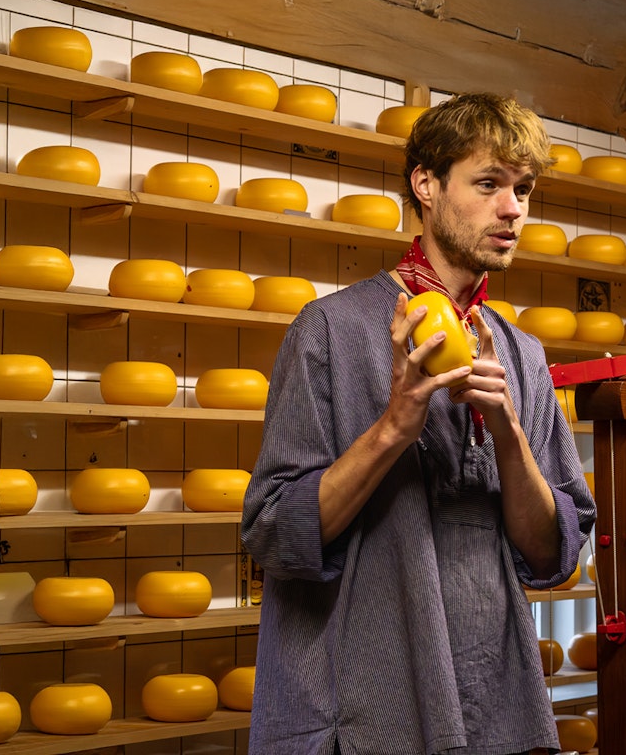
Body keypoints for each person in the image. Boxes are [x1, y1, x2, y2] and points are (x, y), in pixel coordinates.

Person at [241, 92, 596, 755]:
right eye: (488, 184)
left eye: (523, 189)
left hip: (494, 711)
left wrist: (510, 436)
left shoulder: (520, 354)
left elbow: (552, 555)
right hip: (364, 715)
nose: (513, 209)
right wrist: (394, 427)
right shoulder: (331, 331)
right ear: (426, 186)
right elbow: (270, 532)